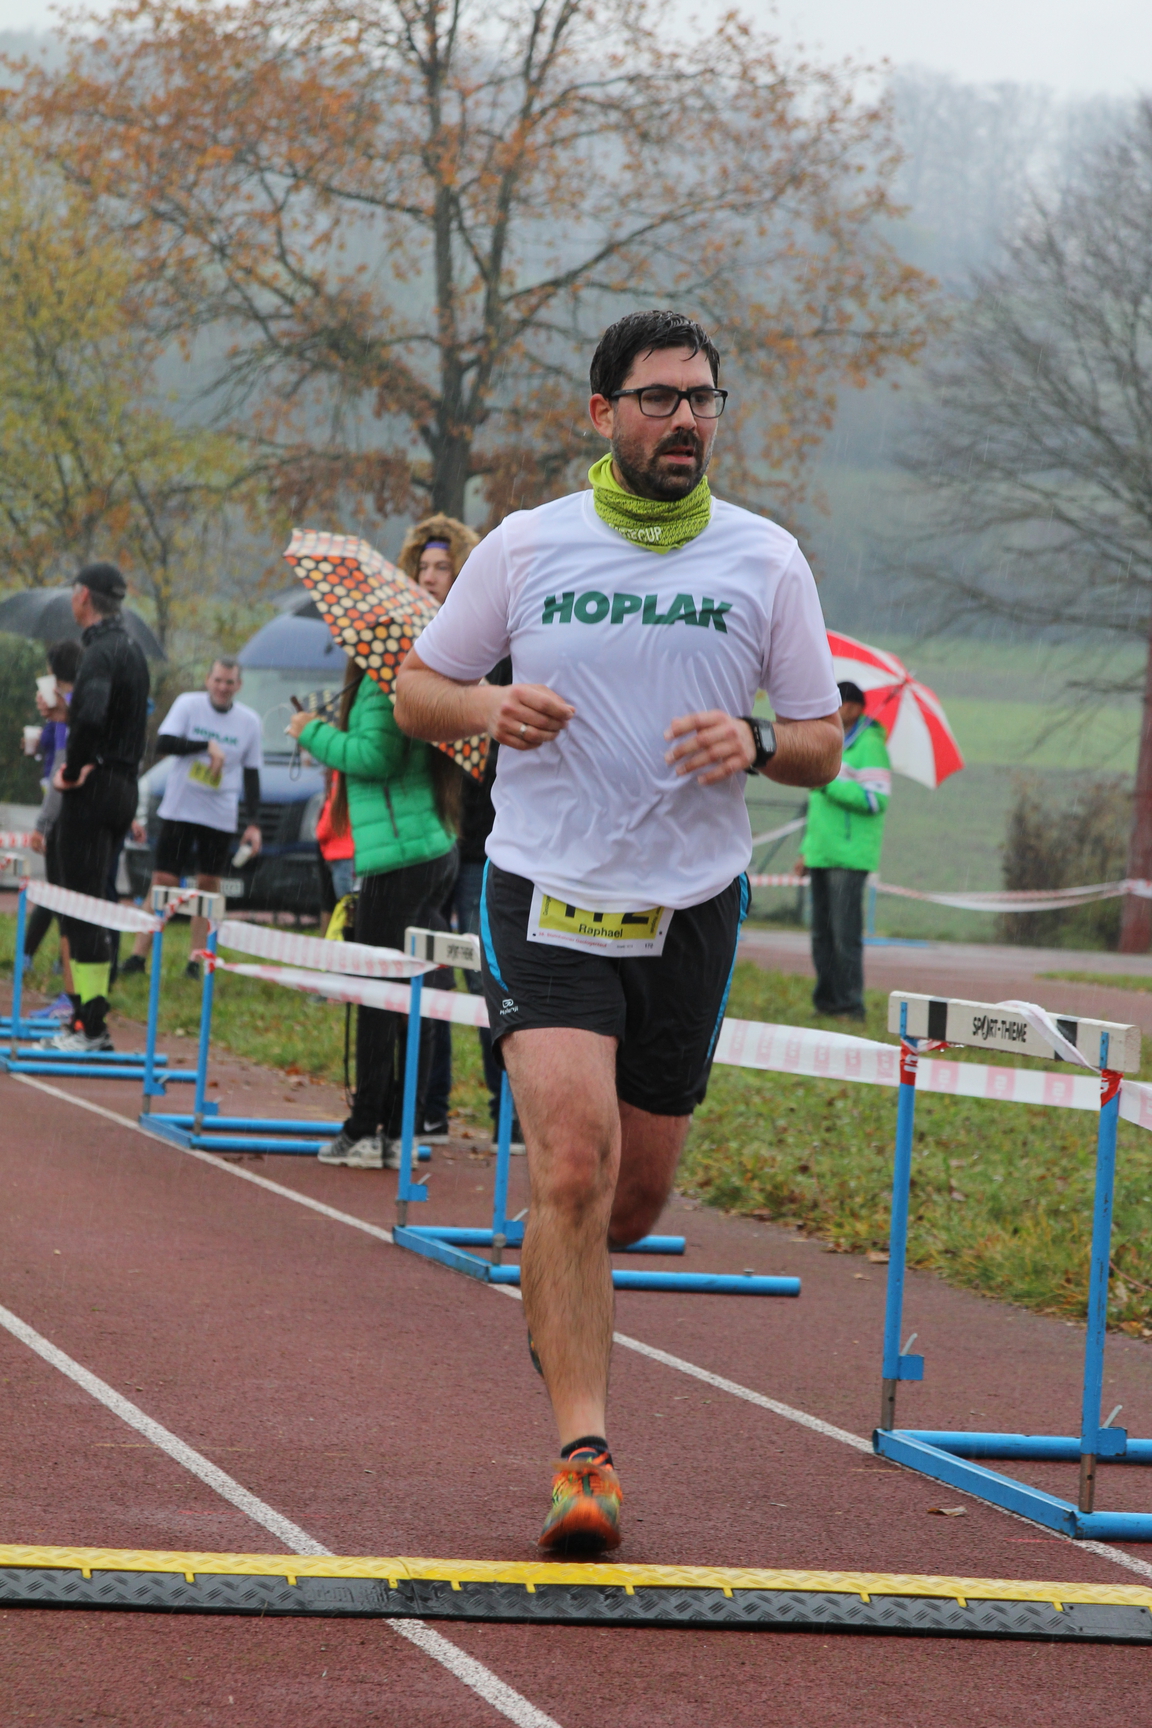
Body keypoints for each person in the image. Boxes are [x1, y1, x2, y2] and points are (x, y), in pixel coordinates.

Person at [395, 308, 842, 1552]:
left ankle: (562, 1270)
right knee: (570, 1167)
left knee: (629, 1204)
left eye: (702, 399)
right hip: (544, 892)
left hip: (690, 907)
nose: (686, 420)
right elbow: (419, 690)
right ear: (603, 413)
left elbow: (821, 740)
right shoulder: (527, 545)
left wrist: (755, 739)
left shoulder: (766, 559)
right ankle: (583, 1460)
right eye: (660, 399)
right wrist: (488, 704)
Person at [286, 653, 459, 1169]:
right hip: (428, 847)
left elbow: (377, 756)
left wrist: (313, 733)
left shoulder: (384, 680)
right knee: (415, 993)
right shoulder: (412, 676)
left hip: (398, 856)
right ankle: (400, 1127)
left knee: (379, 996)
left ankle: (366, 1128)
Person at [396, 513, 485, 1142]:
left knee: (485, 975)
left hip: (482, 836)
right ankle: (430, 1106)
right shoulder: (405, 647)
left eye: (443, 567)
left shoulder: (486, 639)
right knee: (428, 971)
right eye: (423, 567)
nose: (431, 577)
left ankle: (510, 1113)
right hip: (430, 833)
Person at [45, 562, 150, 1053]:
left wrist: (71, 769)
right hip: (124, 785)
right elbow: (111, 718)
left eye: (73, 593)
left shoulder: (99, 651)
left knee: (79, 906)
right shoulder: (131, 648)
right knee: (91, 902)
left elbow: (90, 718)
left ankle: (90, 1026)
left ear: (83, 596)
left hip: (96, 786)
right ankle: (86, 1020)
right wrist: (66, 716)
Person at [123, 657, 263, 981]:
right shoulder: (189, 705)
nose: (223, 688)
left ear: (238, 685)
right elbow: (164, 743)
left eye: (229, 682)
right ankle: (137, 955)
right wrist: (206, 745)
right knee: (163, 881)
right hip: (181, 808)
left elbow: (252, 773)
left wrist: (254, 823)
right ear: (208, 680)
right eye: (218, 680)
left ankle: (196, 960)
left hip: (219, 813)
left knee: (208, 887)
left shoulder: (249, 721)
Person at [799, 679, 891, 1021]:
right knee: (821, 935)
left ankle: (852, 1005)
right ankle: (826, 1001)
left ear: (853, 707)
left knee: (844, 935)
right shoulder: (831, 744)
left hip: (850, 858)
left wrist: (828, 783)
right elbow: (817, 811)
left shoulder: (871, 745)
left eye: (838, 703)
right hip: (822, 853)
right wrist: (806, 851)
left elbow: (875, 799)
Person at [23, 639, 84, 1006]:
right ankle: (72, 983)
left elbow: (63, 766)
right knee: (67, 896)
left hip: (66, 811)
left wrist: (43, 823)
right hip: (88, 808)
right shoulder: (84, 705)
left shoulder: (68, 707)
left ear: (52, 672)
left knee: (63, 895)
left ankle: (72, 991)